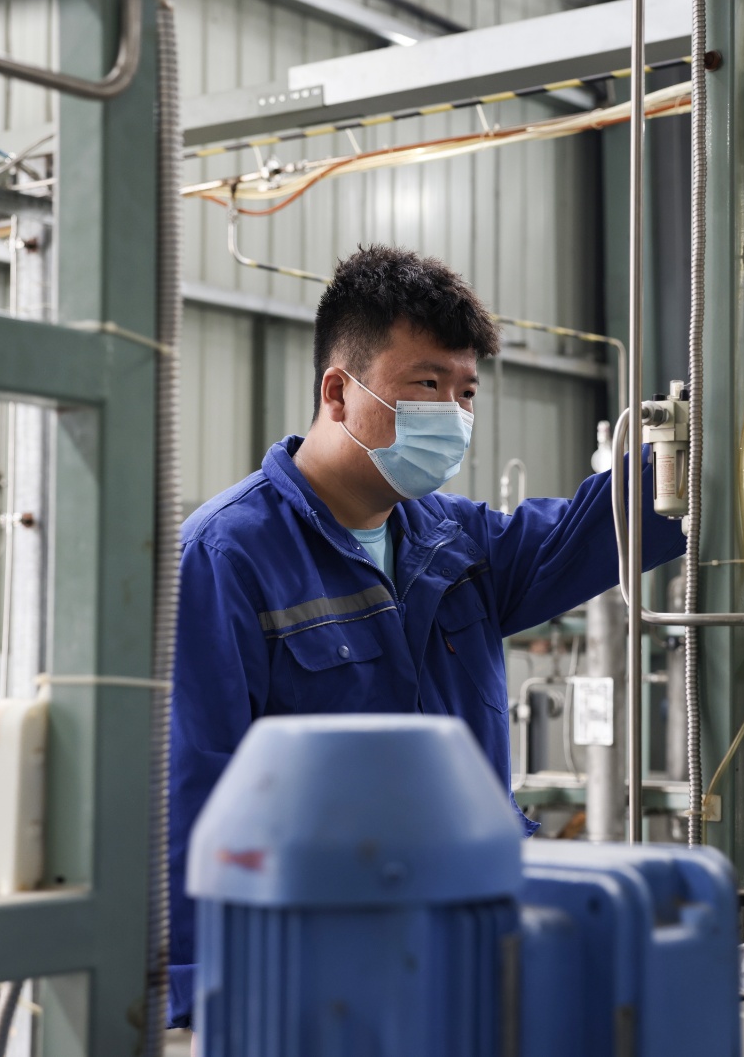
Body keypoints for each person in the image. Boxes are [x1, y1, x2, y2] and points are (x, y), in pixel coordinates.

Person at [165, 245, 685, 1026]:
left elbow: (598, 529)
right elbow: (192, 788)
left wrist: (702, 438)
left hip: (466, 945)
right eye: (428, 385)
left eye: (467, 391)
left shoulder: (458, 543)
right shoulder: (227, 557)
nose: (455, 414)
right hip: (317, 971)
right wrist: (202, 994)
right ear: (338, 392)